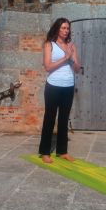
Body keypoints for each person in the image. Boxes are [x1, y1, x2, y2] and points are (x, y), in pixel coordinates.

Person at [38, 18, 81, 163]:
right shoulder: (49, 44)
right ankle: (45, 152)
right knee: (49, 118)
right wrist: (66, 57)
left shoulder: (71, 45)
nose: (66, 31)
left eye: (67, 28)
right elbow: (48, 67)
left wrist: (73, 59)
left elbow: (77, 69)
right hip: (53, 86)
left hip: (68, 86)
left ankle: (62, 151)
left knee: (64, 119)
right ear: (57, 29)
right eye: (63, 28)